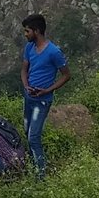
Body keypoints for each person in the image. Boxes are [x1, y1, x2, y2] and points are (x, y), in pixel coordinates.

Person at [20, 13, 69, 178]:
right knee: (27, 132)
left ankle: (41, 175)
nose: (25, 34)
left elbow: (66, 75)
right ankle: (34, 163)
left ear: (37, 31)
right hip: (29, 97)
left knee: (34, 137)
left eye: (27, 31)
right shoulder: (29, 48)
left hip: (42, 101)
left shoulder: (53, 52)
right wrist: (26, 86)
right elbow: (24, 69)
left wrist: (47, 90)